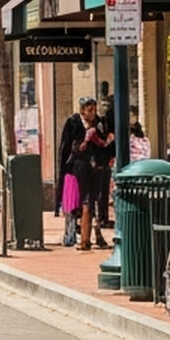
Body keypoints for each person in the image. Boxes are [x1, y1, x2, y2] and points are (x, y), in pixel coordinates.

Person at [59, 97, 113, 250]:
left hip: (98, 168)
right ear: (82, 110)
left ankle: (91, 237)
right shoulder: (74, 123)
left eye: (94, 110)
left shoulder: (101, 124)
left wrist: (105, 157)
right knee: (84, 202)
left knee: (93, 200)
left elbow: (107, 143)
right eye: (89, 110)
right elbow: (66, 148)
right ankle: (83, 238)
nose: (93, 113)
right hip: (80, 167)